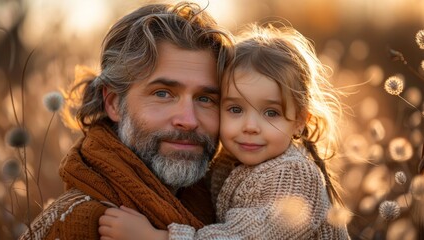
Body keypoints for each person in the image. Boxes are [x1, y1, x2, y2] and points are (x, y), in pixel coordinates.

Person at [98, 24, 351, 239]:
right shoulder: (226, 162)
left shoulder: (294, 175)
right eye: (235, 109)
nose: (250, 127)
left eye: (271, 113)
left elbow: (243, 237)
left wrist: (158, 237)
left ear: (299, 121)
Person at [19, 2, 233, 239]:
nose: (189, 120)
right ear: (113, 103)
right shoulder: (79, 224)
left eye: (205, 98)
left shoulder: (233, 203)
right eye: (163, 93)